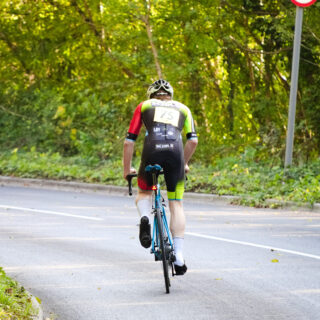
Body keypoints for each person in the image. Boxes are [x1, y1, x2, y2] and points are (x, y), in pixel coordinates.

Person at [123, 79, 198, 275]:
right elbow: (193, 141)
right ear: (170, 96)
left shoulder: (144, 106)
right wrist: (184, 163)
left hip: (152, 151)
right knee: (176, 203)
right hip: (175, 153)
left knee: (144, 193)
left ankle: (146, 218)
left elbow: (129, 142)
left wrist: (126, 169)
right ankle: (179, 256)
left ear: (151, 95)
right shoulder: (184, 108)